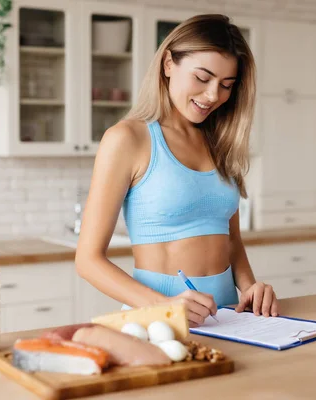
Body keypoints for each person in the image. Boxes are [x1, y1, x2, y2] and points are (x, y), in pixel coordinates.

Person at [75, 14, 279, 327]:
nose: (213, 95)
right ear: (169, 64)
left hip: (230, 319)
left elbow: (231, 239)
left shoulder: (221, 142)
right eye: (202, 78)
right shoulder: (128, 139)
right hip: (158, 319)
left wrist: (250, 287)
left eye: (226, 85)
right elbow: (88, 261)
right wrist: (166, 306)